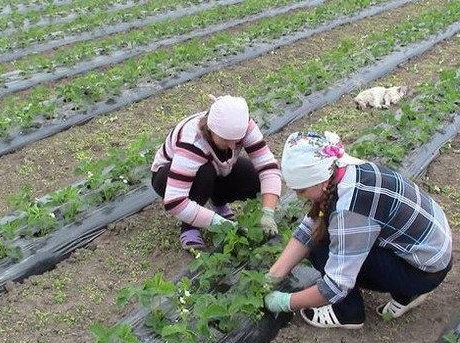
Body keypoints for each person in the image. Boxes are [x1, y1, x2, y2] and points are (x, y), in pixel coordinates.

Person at [264, 131, 453, 329]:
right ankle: (407, 293)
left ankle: (347, 313)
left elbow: (335, 286)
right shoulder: (345, 170)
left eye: (301, 190)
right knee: (323, 235)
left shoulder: (351, 208)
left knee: (321, 249)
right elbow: (309, 228)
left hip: (424, 271)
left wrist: (285, 302)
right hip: (430, 256)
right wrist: (275, 274)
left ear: (319, 181)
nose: (297, 195)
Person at [150, 95, 282, 249]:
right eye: (226, 139)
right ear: (211, 130)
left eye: (237, 139)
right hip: (167, 178)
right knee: (203, 172)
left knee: (252, 177)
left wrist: (268, 212)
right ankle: (189, 227)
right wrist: (221, 224)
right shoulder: (192, 141)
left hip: (217, 169)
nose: (233, 146)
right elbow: (175, 201)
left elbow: (268, 167)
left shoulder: (244, 125)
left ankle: (218, 202)